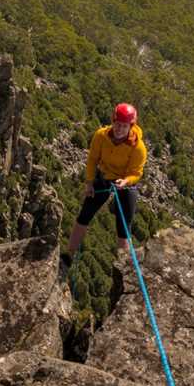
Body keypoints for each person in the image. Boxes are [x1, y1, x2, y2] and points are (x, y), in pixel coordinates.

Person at [63, 102, 148, 264]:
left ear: (131, 126)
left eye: (124, 126)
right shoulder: (101, 136)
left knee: (123, 228)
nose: (119, 129)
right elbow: (92, 160)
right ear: (112, 121)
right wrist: (89, 183)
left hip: (125, 184)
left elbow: (136, 173)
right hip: (104, 176)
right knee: (84, 215)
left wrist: (126, 181)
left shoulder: (138, 148)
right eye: (117, 124)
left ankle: (124, 267)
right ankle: (69, 254)